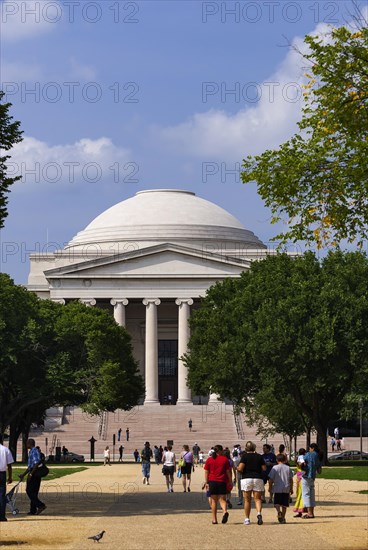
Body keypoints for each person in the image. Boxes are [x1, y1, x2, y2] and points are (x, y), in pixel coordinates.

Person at [237, 441, 267, 526]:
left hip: (247, 478)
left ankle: (247, 519)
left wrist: (237, 469)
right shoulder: (259, 456)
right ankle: (259, 513)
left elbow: (241, 468)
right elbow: (264, 468)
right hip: (258, 478)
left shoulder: (244, 456)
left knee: (247, 500)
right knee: (258, 499)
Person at [203, 444, 232, 524]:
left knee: (214, 501)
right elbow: (228, 471)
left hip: (212, 481)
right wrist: (230, 481)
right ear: (220, 451)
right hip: (222, 481)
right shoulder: (225, 459)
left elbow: (206, 471)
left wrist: (206, 482)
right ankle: (225, 511)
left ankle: (214, 519)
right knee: (222, 499)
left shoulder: (210, 459)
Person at [19, 438, 47, 516]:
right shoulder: (31, 451)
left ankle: (41, 505)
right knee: (33, 492)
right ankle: (33, 510)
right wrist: (23, 475)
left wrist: (31, 474)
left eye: (27, 443)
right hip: (33, 472)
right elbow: (30, 466)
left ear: (30, 443)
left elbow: (36, 463)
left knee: (29, 491)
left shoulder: (34, 451)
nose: (26, 444)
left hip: (35, 474)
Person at [268, 454, 294, 523]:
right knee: (284, 505)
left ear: (277, 460)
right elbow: (291, 479)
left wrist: (270, 488)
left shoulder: (275, 468)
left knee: (277, 503)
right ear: (285, 460)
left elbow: (270, 480)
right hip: (286, 488)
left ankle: (279, 511)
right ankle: (283, 517)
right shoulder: (288, 468)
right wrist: (291, 488)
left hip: (277, 488)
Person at [301, 443, 322, 519]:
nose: (309, 449)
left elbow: (300, 462)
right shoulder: (317, 455)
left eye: (309, 448)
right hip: (313, 476)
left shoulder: (308, 454)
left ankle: (309, 513)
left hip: (306, 476)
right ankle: (312, 512)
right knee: (312, 494)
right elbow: (319, 469)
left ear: (312, 448)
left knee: (306, 494)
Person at [0, 435, 13, 522]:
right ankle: (1, 516)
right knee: (1, 495)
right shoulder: (5, 449)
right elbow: (9, 465)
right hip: (2, 473)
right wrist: (10, 476)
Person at [293, 448, 307, 518]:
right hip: (302, 477)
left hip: (299, 477)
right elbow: (301, 465)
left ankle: (299, 510)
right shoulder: (302, 458)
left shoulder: (297, 458)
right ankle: (301, 509)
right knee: (302, 494)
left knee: (299, 493)